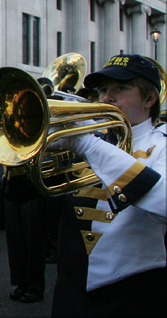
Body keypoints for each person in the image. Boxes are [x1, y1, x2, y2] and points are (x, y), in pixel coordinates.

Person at [51, 54, 165, 318]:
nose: (106, 98)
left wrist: (88, 145)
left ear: (149, 99)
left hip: (135, 290)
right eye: (103, 90)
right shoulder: (89, 139)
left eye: (120, 89)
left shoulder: (162, 144)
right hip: (73, 283)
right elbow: (21, 195)